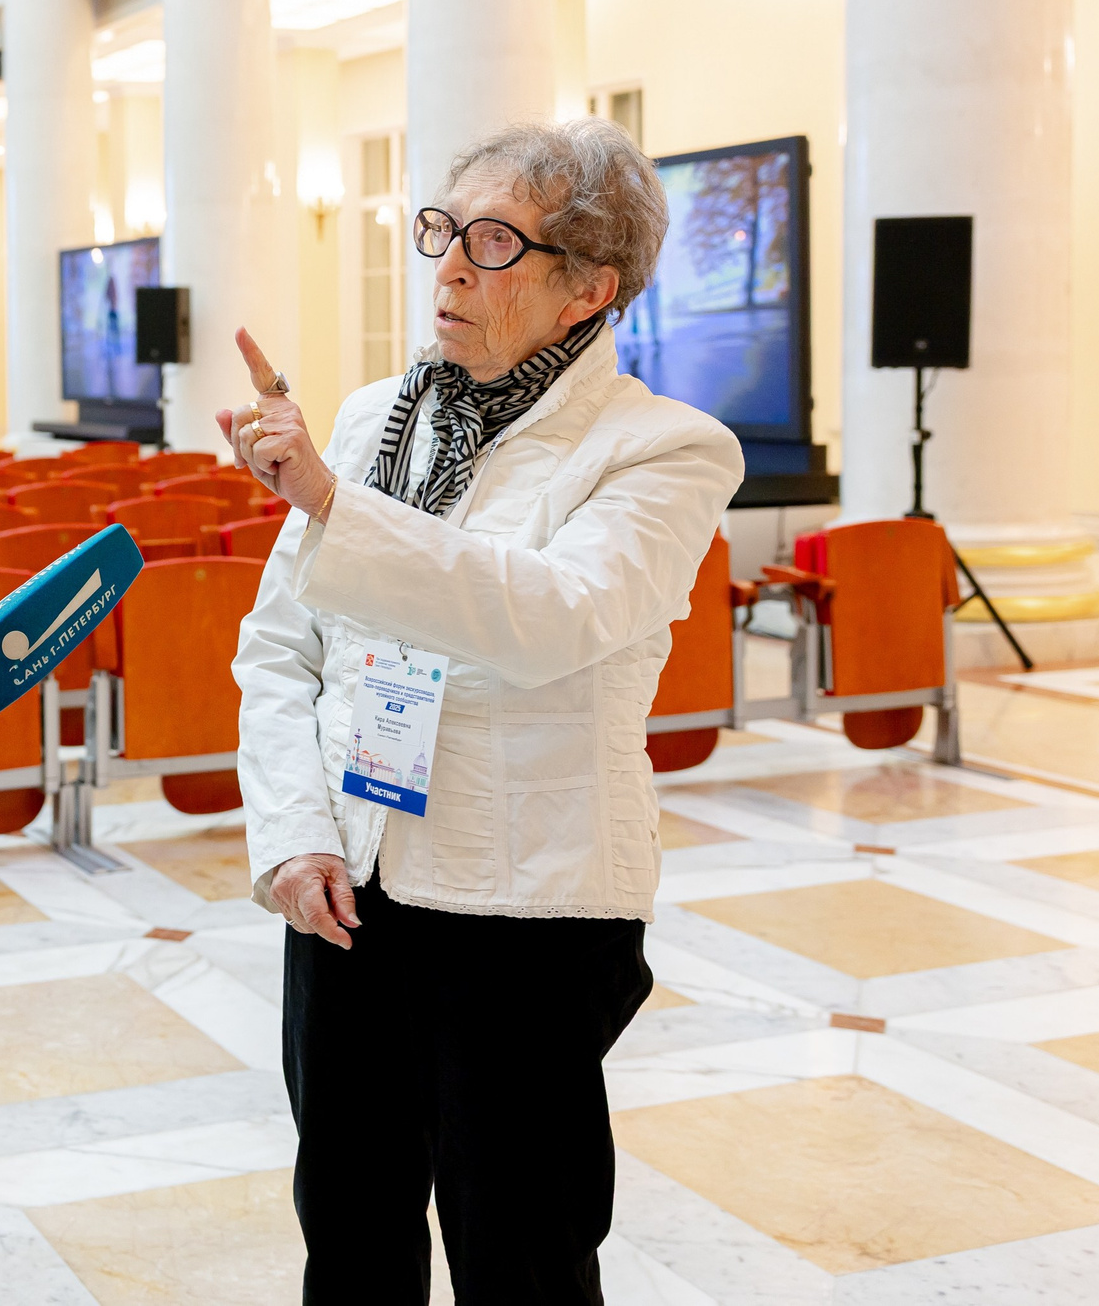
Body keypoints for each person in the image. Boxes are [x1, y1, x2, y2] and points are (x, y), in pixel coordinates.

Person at [222, 119, 743, 1304]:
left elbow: (552, 615)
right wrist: (295, 834)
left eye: (494, 241)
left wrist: (327, 507)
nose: (449, 266)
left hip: (524, 916)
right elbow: (279, 652)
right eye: (444, 231)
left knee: (524, 1254)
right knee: (348, 1236)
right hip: (349, 891)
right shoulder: (370, 423)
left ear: (586, 288)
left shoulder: (661, 449)